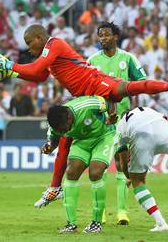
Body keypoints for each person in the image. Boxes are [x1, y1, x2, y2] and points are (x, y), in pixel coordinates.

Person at [0, 23, 168, 202]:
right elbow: (39, 75)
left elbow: (36, 67)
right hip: (85, 97)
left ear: (40, 38)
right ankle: (55, 188)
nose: (29, 49)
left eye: (30, 43)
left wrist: (11, 65)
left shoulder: (54, 44)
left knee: (132, 87)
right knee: (66, 137)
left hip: (96, 83)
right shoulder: (49, 55)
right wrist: (12, 71)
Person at [34, 22, 146, 225]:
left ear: (115, 37)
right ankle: (100, 214)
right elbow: (83, 85)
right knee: (98, 168)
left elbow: (139, 83)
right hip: (98, 120)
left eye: (106, 35)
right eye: (100, 35)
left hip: (123, 117)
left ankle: (122, 212)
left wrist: (134, 108)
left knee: (123, 164)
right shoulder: (92, 60)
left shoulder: (128, 58)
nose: (103, 38)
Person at [42, 96, 116, 233]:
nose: (63, 132)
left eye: (63, 129)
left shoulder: (88, 105)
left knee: (95, 173)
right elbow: (54, 140)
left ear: (69, 117)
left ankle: (96, 223)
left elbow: (110, 100)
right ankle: (71, 224)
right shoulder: (57, 123)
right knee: (71, 173)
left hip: (103, 137)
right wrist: (49, 147)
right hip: (82, 142)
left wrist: (112, 115)